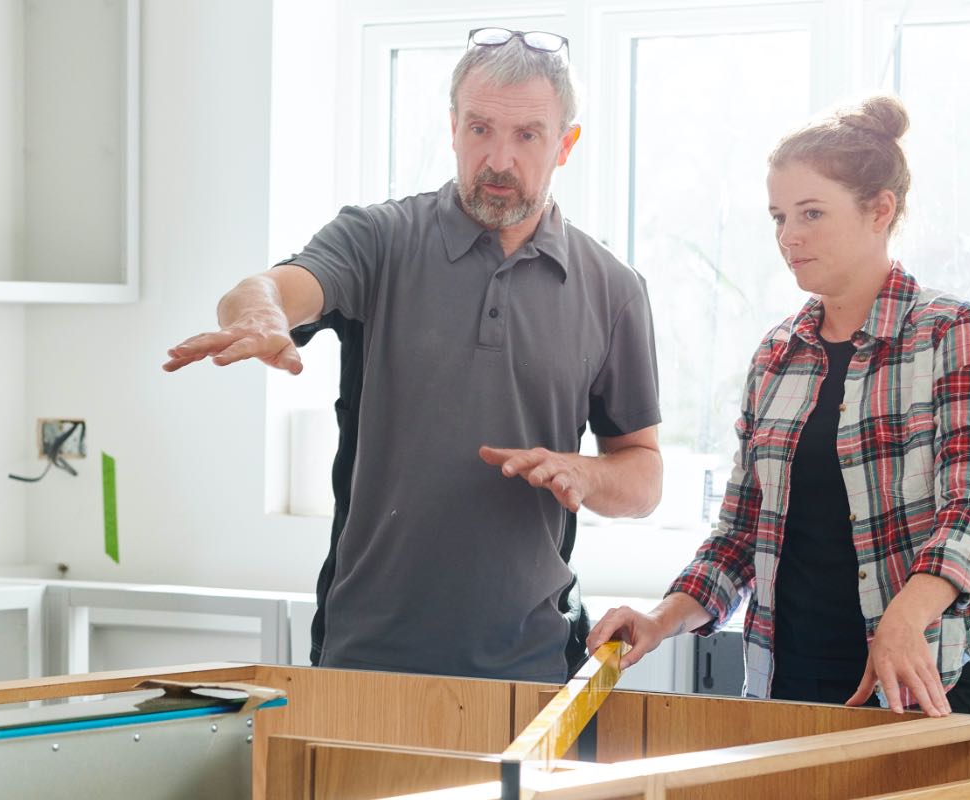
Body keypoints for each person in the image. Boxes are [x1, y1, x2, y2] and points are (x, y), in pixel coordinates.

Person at [163, 27, 663, 683]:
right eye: (480, 129)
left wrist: (585, 475)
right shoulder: (379, 240)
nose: (499, 159)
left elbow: (644, 475)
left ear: (565, 144)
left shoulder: (612, 289)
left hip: (534, 665)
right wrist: (260, 313)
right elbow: (271, 288)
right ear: (453, 127)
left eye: (527, 135)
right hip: (365, 656)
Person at [586, 96, 970, 714]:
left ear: (880, 211)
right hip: (786, 684)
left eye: (811, 213)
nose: (790, 236)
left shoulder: (955, 334)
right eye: (779, 217)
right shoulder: (777, 356)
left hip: (920, 681)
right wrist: (660, 620)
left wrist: (904, 617)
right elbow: (738, 534)